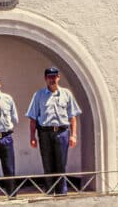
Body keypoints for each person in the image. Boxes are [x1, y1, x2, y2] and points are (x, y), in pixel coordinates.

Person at [27, 67, 82, 195]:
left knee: (61, 164)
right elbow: (33, 118)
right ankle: (50, 192)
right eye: (49, 77)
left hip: (62, 132)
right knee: (47, 164)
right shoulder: (38, 95)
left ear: (58, 77)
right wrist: (32, 137)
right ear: (45, 79)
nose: (52, 79)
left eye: (54, 77)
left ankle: (62, 192)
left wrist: (73, 135)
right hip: (45, 133)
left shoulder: (66, 94)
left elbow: (72, 117)